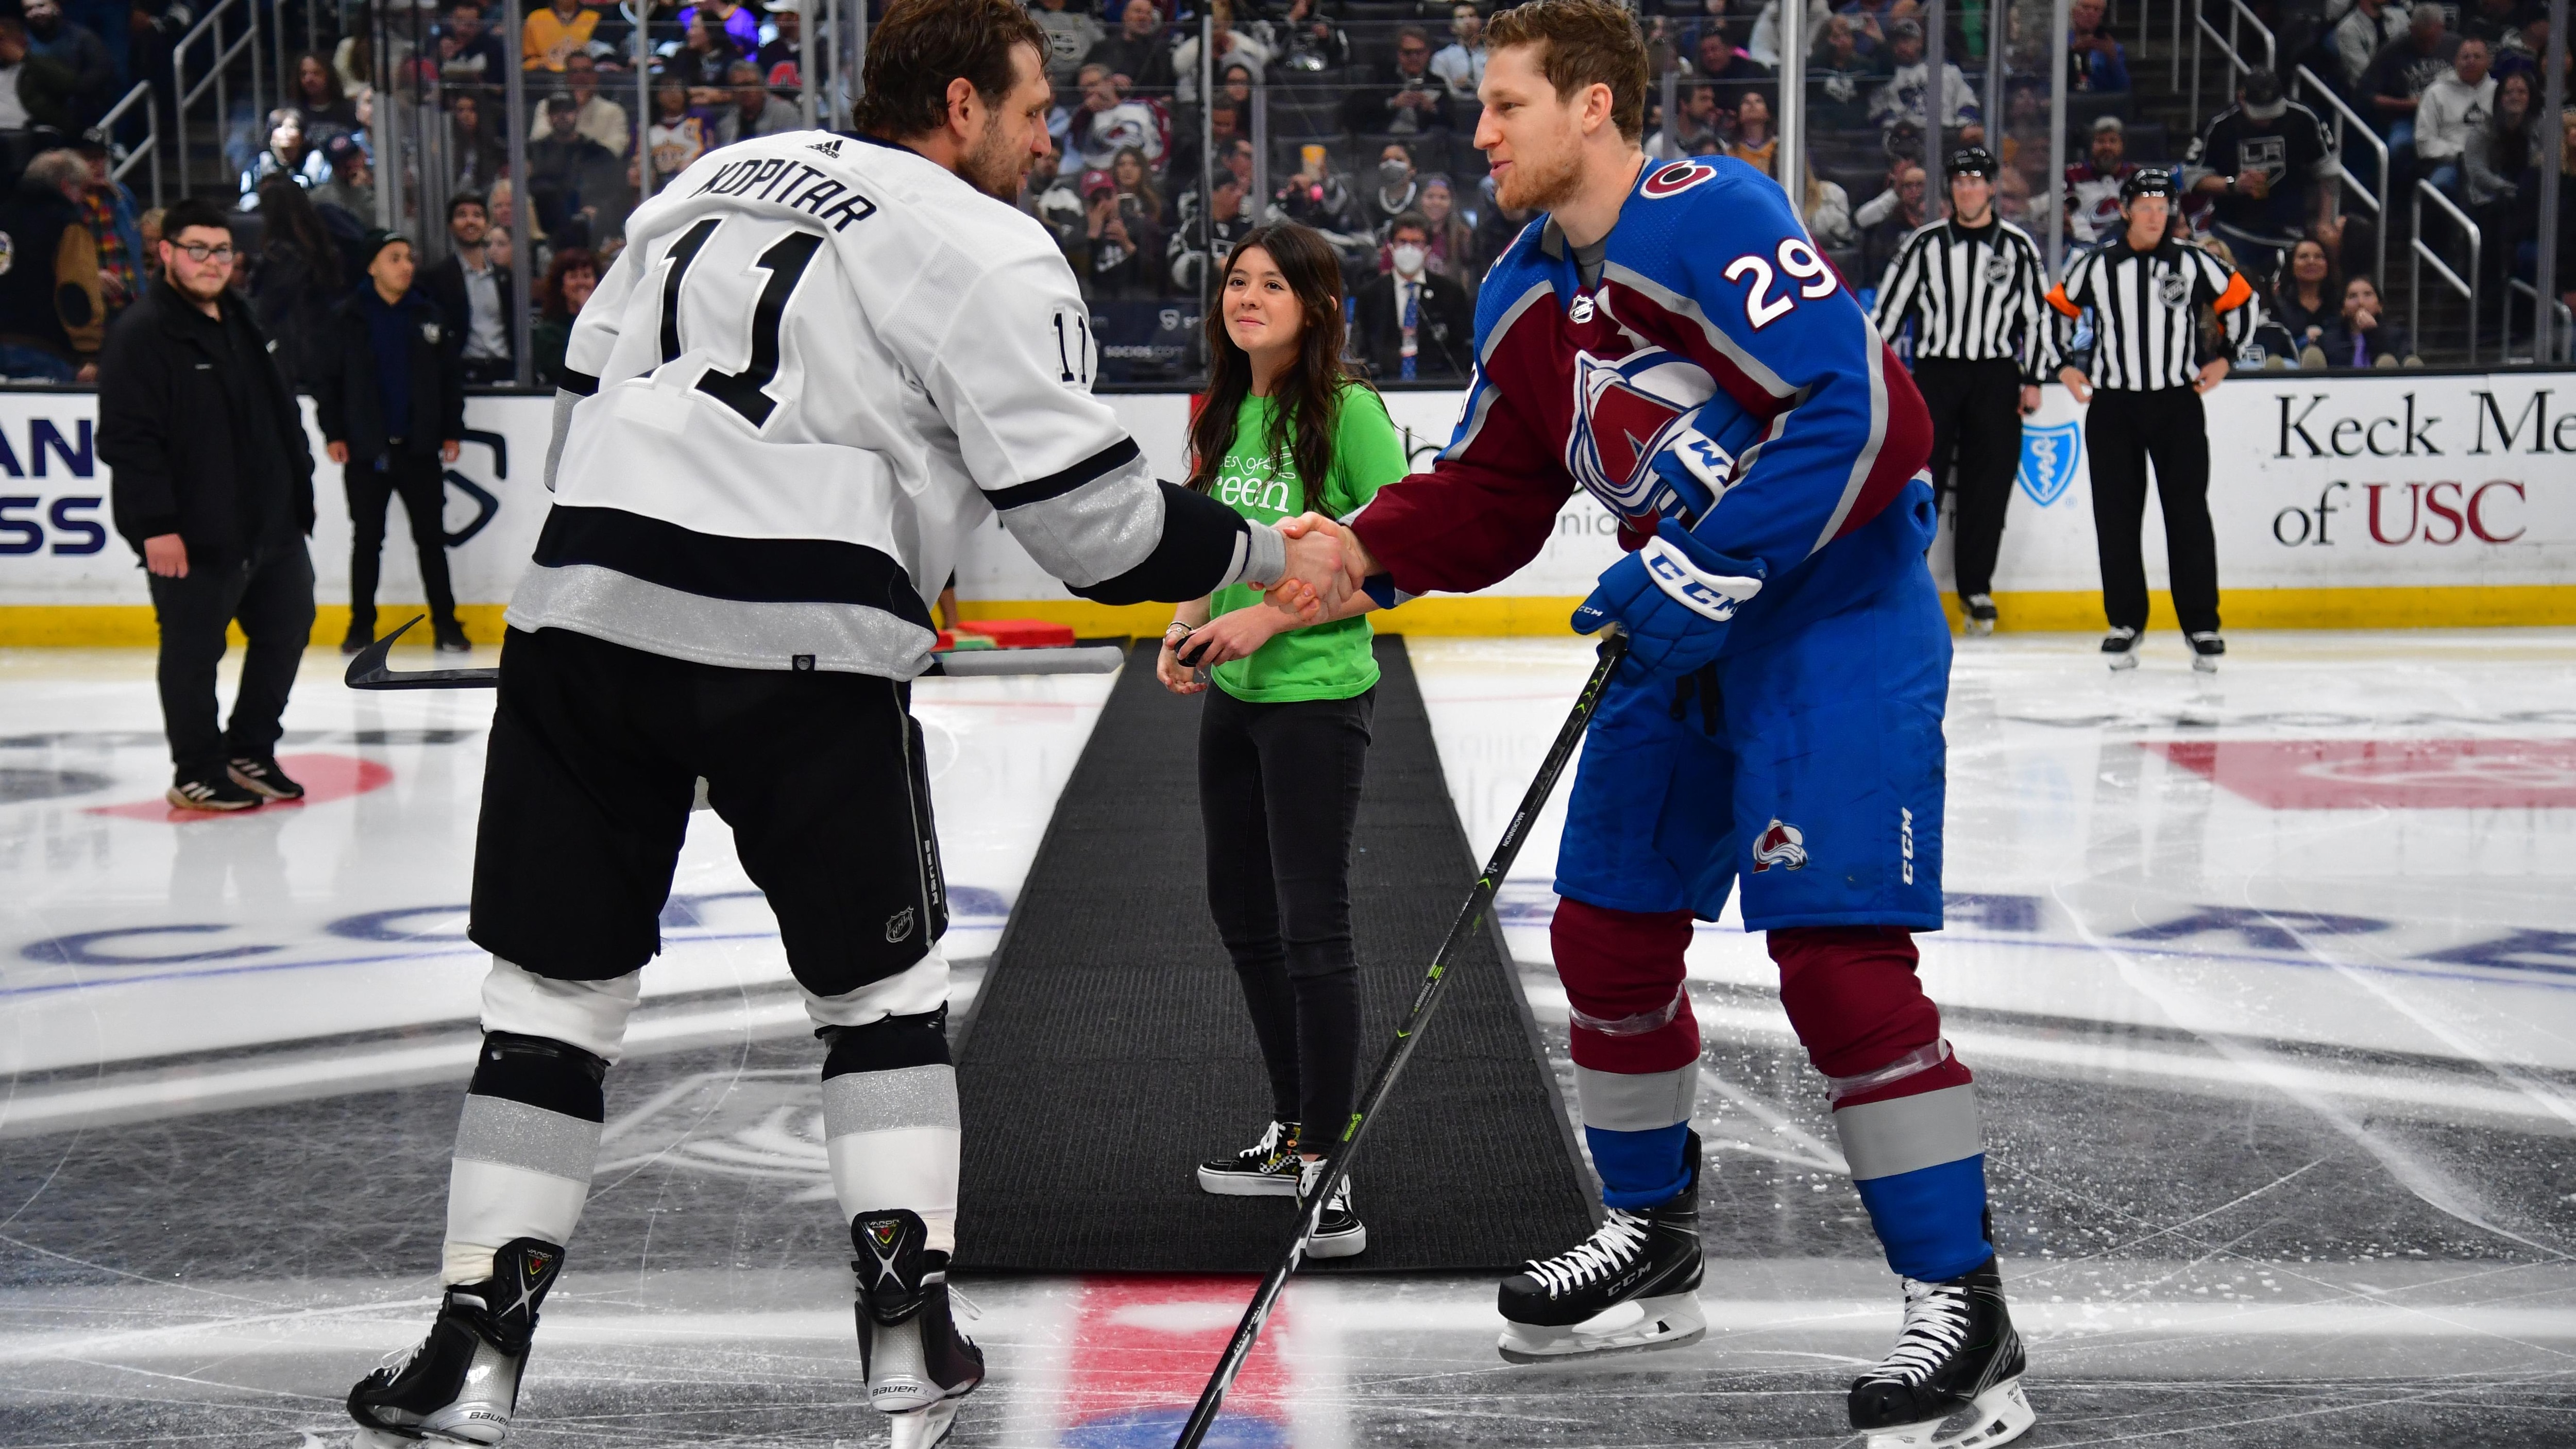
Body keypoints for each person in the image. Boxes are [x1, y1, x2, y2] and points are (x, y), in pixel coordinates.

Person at [340, 7, 1352, 1448]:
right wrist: (1268, 559)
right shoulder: (989, 245)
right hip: (800, 638)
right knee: (879, 1008)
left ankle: (472, 1358)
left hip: (584, 615)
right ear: (958, 103)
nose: (1046, 134)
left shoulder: (710, 174)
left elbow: (582, 394)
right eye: (1028, 108)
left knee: (550, 1011)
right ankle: (904, 1344)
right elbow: (1093, 531)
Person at [1290, 7, 2025, 1444]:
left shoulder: (1712, 215)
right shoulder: (1516, 288)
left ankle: (1969, 1310)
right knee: (1607, 928)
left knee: (1835, 958)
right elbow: (1497, 493)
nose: (1479, 131)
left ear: (1597, 107)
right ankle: (1653, 1235)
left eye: (1508, 106)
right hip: (1687, 627)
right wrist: (1349, 556)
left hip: (1831, 618)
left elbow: (1869, 414)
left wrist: (1711, 556)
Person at [1161, 222, 1404, 1260]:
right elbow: (1210, 537)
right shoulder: (1221, 406)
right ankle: (1295, 1130)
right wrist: (1185, 621)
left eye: (1270, 283)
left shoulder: (1346, 411)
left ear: (1314, 302)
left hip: (1313, 697)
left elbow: (1388, 563)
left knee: (1312, 924)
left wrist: (1268, 618)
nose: (1246, 296)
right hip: (1235, 698)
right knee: (1242, 912)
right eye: (1235, 281)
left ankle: (1330, 1169)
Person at [99, 194, 318, 813]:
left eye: (222, 250)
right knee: (194, 654)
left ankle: (250, 749)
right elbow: (128, 441)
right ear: (166, 252)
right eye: (196, 249)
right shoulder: (143, 333)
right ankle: (196, 768)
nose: (211, 261)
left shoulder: (244, 319)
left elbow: (281, 416)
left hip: (271, 527)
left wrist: (296, 495)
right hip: (193, 535)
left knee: (287, 631)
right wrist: (156, 527)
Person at [2047, 169, 2255, 673]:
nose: (2154, 216)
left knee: (2187, 514)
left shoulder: (2192, 261)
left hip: (2175, 404)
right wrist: (2064, 365)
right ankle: (2124, 622)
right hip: (2113, 405)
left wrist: (2225, 356)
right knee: (2115, 517)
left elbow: (2241, 300)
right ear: (2124, 211)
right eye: (2144, 207)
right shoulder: (2096, 265)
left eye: (2162, 208)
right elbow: (2055, 310)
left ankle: (2201, 625)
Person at [1871, 148, 2050, 636]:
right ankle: (1910, 584)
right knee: (1920, 482)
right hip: (1937, 377)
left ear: (1992, 187)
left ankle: (1977, 588)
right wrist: (1870, 371)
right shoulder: (1924, 245)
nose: (1968, 189)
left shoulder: (2018, 247)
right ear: (1951, 189)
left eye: (1977, 180)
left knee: (1988, 486)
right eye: (1960, 181)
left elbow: (2036, 317)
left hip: (1996, 377)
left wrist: (2033, 378)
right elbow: (1887, 314)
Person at [318, 229, 469, 657]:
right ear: (373, 266)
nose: (406, 266)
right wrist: (334, 433)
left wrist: (451, 429)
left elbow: (448, 381)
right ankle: (360, 626)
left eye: (409, 258)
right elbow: (327, 381)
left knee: (432, 540)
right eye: (395, 258)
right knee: (367, 540)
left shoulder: (429, 316)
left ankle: (447, 624)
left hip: (419, 448)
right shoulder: (347, 318)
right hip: (367, 451)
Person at [2182, 70, 2337, 276]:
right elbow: (2192, 177)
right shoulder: (2219, 125)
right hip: (2234, 228)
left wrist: (2325, 221)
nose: (2266, 120)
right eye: (2259, 112)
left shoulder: (2305, 118)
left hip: (2290, 228)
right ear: (2241, 98)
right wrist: (2233, 184)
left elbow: (2328, 172)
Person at [0, 148, 104, 381]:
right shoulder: (68, 225)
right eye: (83, 191)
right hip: (44, 350)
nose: (84, 200)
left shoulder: (4, 216)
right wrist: (90, 352)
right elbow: (76, 291)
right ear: (67, 186)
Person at [246, 175, 344, 391]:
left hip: (296, 359)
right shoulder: (324, 251)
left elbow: (267, 310)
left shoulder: (281, 258)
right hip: (325, 351)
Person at [1352, 210, 1471, 380]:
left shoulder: (1451, 293)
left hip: (1438, 387)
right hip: (1384, 385)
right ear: (1391, 247)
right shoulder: (1370, 295)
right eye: (1402, 242)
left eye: (1416, 243)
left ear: (1428, 249)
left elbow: (1462, 349)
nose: (1408, 249)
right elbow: (1360, 350)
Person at [427, 191, 516, 383]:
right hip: (463, 375)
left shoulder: (505, 277)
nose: (470, 221)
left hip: (505, 374)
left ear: (487, 224)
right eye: (462, 215)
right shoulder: (438, 277)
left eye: (477, 215)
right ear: (451, 226)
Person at [529, 91, 633, 247]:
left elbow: (614, 192)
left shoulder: (597, 153)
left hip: (590, 229)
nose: (562, 116)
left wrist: (598, 210)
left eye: (568, 111)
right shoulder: (534, 152)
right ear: (548, 116)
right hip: (546, 226)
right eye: (556, 112)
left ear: (577, 113)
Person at [2415, 37, 2498, 198]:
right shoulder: (2436, 92)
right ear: (2456, 61)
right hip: (2450, 163)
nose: (2471, 61)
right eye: (2465, 57)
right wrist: (2460, 154)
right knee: (2438, 187)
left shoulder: (2499, 91)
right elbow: (2424, 142)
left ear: (2488, 61)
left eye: (2477, 57)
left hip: (2490, 164)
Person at [1340, 24, 1453, 140]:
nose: (1414, 58)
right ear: (1399, 54)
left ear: (1428, 53)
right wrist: (1392, 103)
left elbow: (1451, 121)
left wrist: (1432, 108)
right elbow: (1356, 109)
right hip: (1384, 141)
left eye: (1419, 52)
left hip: (1423, 145)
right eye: (1408, 53)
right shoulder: (1381, 77)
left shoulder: (1437, 82)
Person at [1870, 18, 1979, 138]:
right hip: (1903, 139)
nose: (1901, 46)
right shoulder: (1886, 76)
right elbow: (1877, 114)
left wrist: (1959, 130)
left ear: (1920, 42)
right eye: (1896, 42)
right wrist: (1895, 128)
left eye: (1906, 40)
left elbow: (1968, 104)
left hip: (1945, 135)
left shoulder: (1947, 71)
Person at [20, 0, 110, 131]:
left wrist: (74, 89)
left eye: (41, 6)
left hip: (76, 110)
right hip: (33, 113)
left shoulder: (82, 38)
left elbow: (101, 70)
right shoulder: (22, 40)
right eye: (29, 9)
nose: (36, 13)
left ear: (57, 7)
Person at [533, 52, 633, 156]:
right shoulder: (547, 106)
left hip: (596, 170)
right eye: (575, 72)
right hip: (555, 169)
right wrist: (573, 106)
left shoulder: (614, 111)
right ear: (567, 77)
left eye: (587, 71)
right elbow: (539, 145)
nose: (581, 77)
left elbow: (615, 151)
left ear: (596, 76)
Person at [2063, 114, 2136, 246]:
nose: (2107, 147)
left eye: (2113, 141)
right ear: (2091, 145)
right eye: (2101, 141)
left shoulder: (2136, 176)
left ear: (2123, 146)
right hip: (2081, 247)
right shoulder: (2071, 175)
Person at [2313, 273, 2414, 365]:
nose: (2361, 302)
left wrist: (2373, 333)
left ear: (2380, 306)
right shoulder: (2327, 341)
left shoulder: (2398, 337)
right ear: (2342, 309)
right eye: (2353, 296)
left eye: (2368, 295)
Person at [531, 244, 597, 384]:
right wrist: (585, 314)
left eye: (587, 276)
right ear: (561, 285)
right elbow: (567, 371)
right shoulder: (549, 332)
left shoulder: (608, 325)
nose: (581, 283)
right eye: (573, 277)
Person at [1082, 0, 1176, 94]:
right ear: (1125, 16)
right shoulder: (1103, 48)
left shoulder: (1160, 52)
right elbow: (1081, 78)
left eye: (1148, 13)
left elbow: (1168, 90)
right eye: (1138, 11)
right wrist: (1109, 80)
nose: (1143, 17)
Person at [2267, 234, 2340, 348]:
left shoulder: (2339, 303)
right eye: (2303, 257)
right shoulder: (2279, 305)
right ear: (2292, 265)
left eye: (2319, 257)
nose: (2311, 262)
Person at [713, 57, 800, 145]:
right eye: (738, 86)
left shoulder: (785, 112)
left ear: (762, 85)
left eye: (748, 85)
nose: (743, 91)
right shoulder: (727, 121)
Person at [648, 73, 710, 187]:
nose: (673, 93)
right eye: (667, 88)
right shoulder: (645, 127)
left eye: (678, 88)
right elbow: (637, 157)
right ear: (656, 96)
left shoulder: (700, 120)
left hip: (693, 181)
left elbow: (711, 150)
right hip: (656, 184)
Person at [2334, 0, 2411, 93]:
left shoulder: (2400, 16)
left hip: (2409, 82)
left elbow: (2415, 51)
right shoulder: (2349, 30)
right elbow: (2365, 75)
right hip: (2372, 93)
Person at [290, 50, 363, 146]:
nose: (309, 79)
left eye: (316, 73)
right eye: (304, 74)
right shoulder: (291, 112)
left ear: (329, 76)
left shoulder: (350, 110)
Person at [1028, 0, 1103, 85]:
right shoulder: (1028, 15)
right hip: (1045, 78)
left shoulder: (1081, 16)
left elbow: (1102, 45)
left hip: (1082, 80)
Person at [2065, 0, 2129, 92]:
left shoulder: (2113, 49)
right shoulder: (2058, 44)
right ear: (2074, 11)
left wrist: (2112, 58)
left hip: (2099, 103)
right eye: (2086, 7)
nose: (2091, 13)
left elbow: (2124, 88)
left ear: (2101, 16)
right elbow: (2045, 80)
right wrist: (2072, 53)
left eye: (2097, 9)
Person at [1432, 3, 1487, 100]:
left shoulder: (1493, 55)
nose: (1468, 21)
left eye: (1472, 16)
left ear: (1480, 22)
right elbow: (1445, 93)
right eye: (1461, 18)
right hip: (1456, 110)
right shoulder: (1441, 58)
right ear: (1452, 27)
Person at [522, 0, 597, 72]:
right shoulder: (536, 18)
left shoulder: (595, 18)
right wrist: (540, 66)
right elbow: (529, 59)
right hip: (547, 80)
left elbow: (602, 60)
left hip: (582, 80)